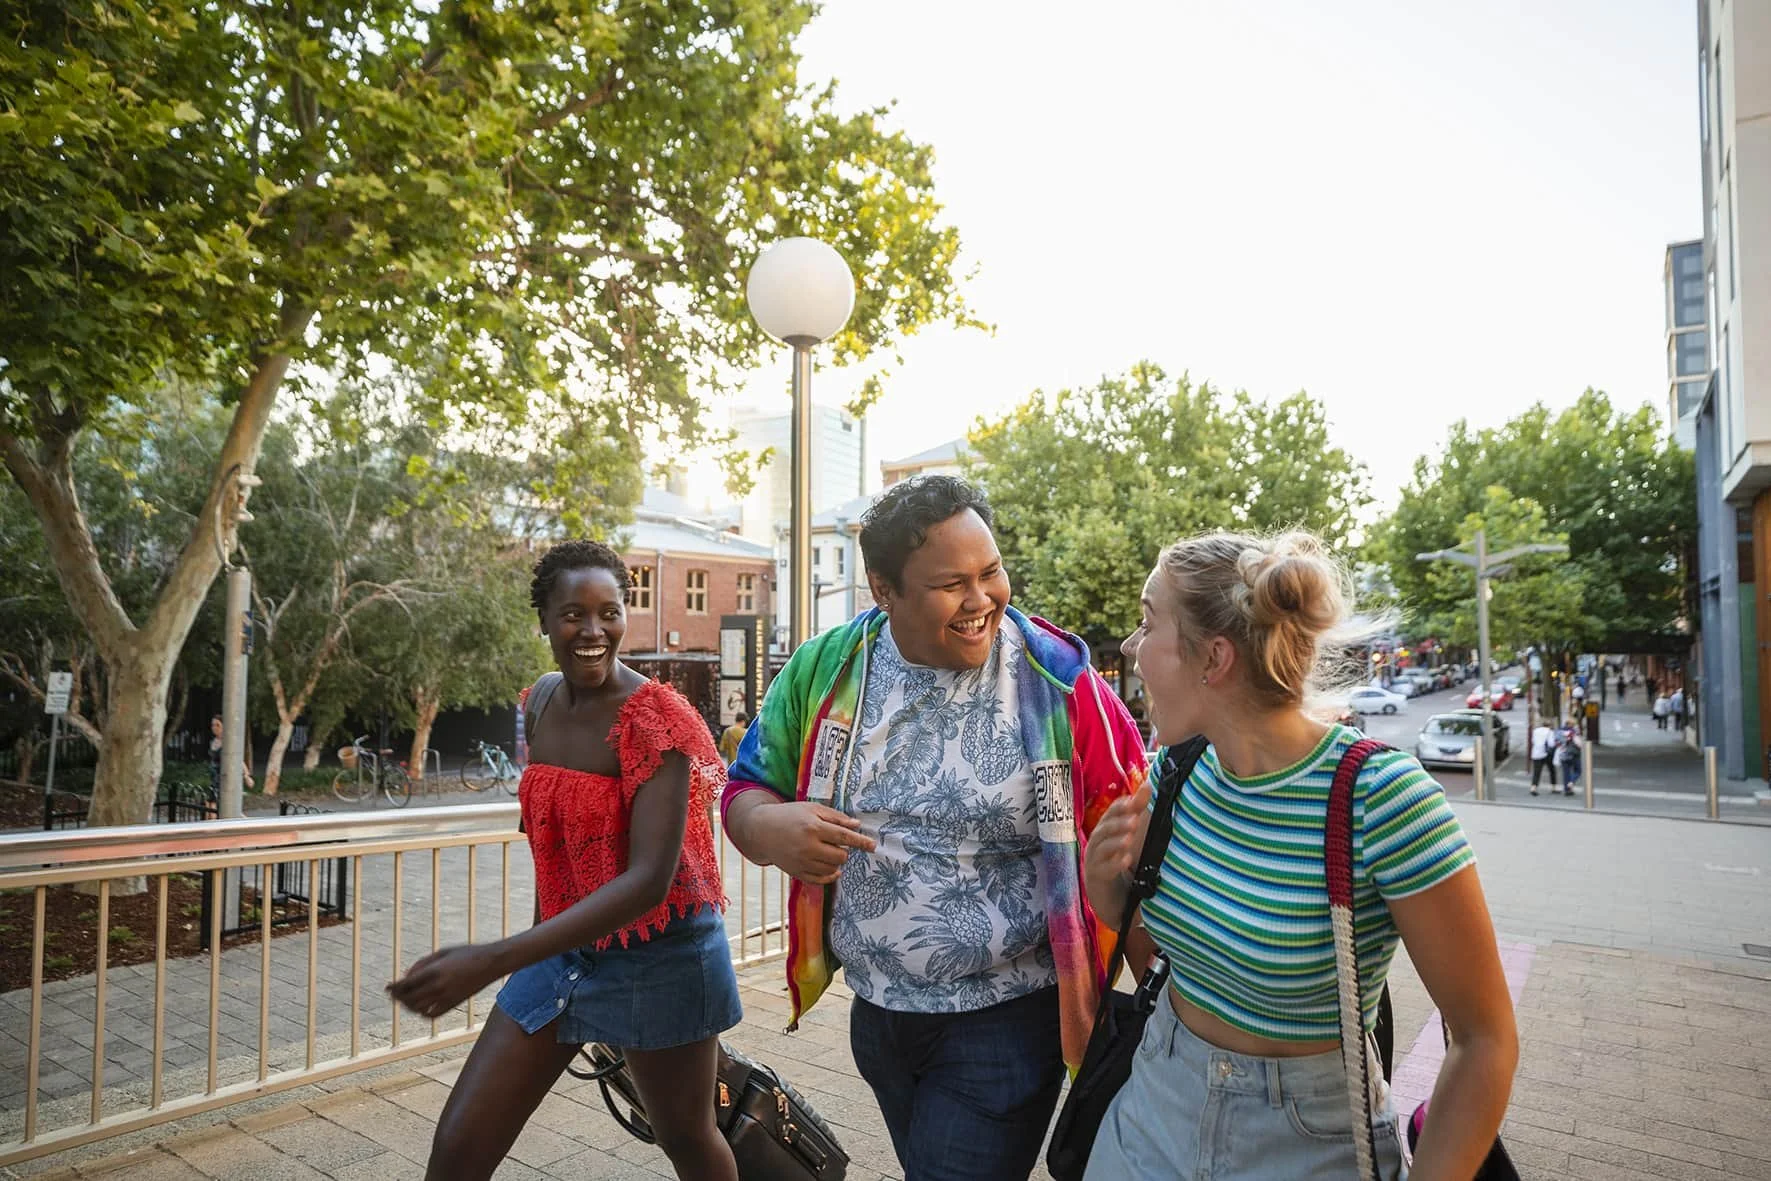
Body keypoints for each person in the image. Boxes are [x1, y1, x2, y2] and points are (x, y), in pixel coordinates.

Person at [720, 475, 1145, 1181]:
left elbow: (1134, 850)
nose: (982, 601)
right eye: (952, 583)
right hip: (877, 1018)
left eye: (991, 572)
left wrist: (1166, 1015)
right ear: (884, 591)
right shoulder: (824, 668)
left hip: (1009, 1017)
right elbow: (746, 786)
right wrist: (766, 826)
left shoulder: (1061, 680)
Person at [1082, 530, 1517, 1180]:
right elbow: (1155, 933)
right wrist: (1105, 885)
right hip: (1149, 1112)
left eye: (1148, 622)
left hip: (1310, 1140)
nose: (1128, 647)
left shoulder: (1382, 801)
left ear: (1214, 658)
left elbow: (1483, 1040)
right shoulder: (1170, 774)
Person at [389, 541, 741, 1181]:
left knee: (687, 1137)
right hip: (560, 956)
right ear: (544, 621)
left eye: (609, 612)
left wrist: (495, 958)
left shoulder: (655, 719)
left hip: (662, 955)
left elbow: (646, 883)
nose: (592, 630)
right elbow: (551, 846)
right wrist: (529, 955)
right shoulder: (541, 702)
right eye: (573, 613)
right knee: (458, 1150)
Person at [207, 714, 253, 798]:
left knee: (225, 807)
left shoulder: (228, 742)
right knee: (211, 805)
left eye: (218, 725)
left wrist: (246, 776)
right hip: (214, 778)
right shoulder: (213, 741)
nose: (214, 727)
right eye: (213, 725)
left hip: (225, 778)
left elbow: (238, 759)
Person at [1529, 718, 1558, 795]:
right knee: (1552, 770)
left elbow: (1533, 741)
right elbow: (1551, 744)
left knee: (1537, 772)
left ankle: (1533, 788)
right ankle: (1553, 787)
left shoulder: (1535, 731)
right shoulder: (1550, 732)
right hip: (1546, 754)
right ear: (1550, 726)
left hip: (1536, 753)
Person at [1556, 718, 1582, 797]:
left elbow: (1556, 742)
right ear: (1572, 725)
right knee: (1578, 770)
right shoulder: (1573, 732)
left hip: (1563, 754)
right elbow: (1579, 744)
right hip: (1573, 754)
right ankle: (1571, 782)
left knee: (1566, 773)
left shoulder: (1559, 732)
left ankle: (1567, 790)